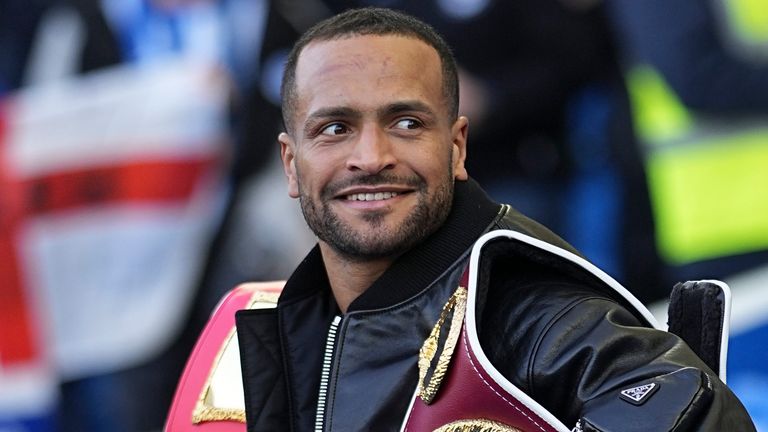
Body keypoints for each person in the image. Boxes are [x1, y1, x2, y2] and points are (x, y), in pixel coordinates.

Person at [233, 7, 755, 431]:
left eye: (407, 122)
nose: (370, 156)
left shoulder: (535, 315)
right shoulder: (255, 327)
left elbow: (701, 416)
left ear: (458, 147)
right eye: (334, 128)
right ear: (291, 163)